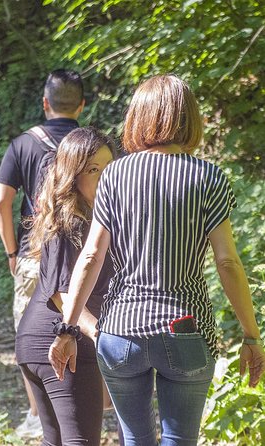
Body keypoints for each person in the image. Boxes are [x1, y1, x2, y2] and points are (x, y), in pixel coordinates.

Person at [48, 74, 265, 445]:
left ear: (139, 117)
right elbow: (228, 263)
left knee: (136, 439)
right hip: (185, 328)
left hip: (120, 331)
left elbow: (91, 256)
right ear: (189, 118)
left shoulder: (114, 175)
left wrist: (67, 329)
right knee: (179, 440)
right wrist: (251, 335)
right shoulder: (209, 178)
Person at [0, 69, 85, 437]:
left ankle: (37, 415)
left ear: (45, 103)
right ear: (81, 105)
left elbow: (2, 202)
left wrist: (12, 252)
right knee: (83, 327)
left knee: (30, 334)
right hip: (83, 257)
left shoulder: (23, 144)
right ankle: (85, 405)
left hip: (35, 256)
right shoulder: (90, 145)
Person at [16, 127, 118, 446]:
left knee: (55, 441)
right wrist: (100, 334)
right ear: (72, 175)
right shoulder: (71, 221)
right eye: (92, 169)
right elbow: (62, 294)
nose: (103, 177)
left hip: (36, 343)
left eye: (108, 168)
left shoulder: (92, 217)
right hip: (60, 343)